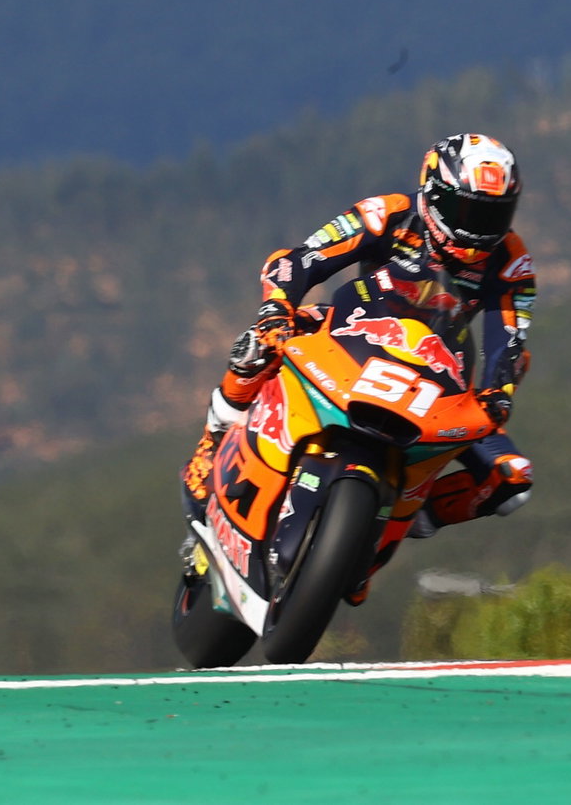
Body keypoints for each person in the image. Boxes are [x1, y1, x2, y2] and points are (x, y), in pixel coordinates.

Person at [180, 133, 536, 601]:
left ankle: (408, 518)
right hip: (346, 332)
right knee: (256, 346)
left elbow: (508, 342)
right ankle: (212, 445)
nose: (479, 229)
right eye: (469, 211)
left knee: (511, 481)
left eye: (494, 215)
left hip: (437, 380)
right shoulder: (386, 213)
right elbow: (300, 260)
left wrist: (497, 394)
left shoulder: (511, 262)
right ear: (433, 192)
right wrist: (278, 308)